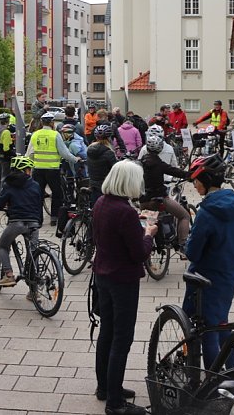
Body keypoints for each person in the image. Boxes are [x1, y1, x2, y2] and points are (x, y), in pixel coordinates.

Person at [92, 160, 155, 415]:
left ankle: (105, 387)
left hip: (103, 275)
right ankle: (115, 403)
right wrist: (149, 233)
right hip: (122, 280)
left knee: (107, 332)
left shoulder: (102, 202)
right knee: (122, 338)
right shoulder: (125, 212)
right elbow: (139, 253)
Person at [183, 154, 234, 370]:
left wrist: (187, 243)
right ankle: (230, 373)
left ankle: (213, 381)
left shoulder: (206, 213)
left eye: (196, 180)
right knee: (221, 323)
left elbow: (193, 252)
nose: (194, 184)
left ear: (207, 180)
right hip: (228, 275)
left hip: (205, 278)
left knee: (208, 331)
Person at [0, 156, 43, 293]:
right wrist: (38, 222)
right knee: (33, 254)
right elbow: (39, 205)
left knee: (2, 246)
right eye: (29, 169)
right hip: (34, 223)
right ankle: (34, 292)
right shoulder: (35, 185)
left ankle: (9, 275)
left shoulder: (8, 184)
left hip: (17, 223)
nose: (30, 171)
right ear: (25, 170)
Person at [26, 111, 82, 237]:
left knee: (38, 194)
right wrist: (75, 159)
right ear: (52, 123)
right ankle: (54, 218)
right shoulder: (55, 134)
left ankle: (38, 220)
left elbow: (29, 154)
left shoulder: (35, 135)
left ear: (41, 122)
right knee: (57, 194)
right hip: (53, 170)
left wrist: (28, 169)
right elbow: (64, 153)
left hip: (38, 170)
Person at [139, 133, 191, 247]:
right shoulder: (158, 164)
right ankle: (183, 244)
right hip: (159, 199)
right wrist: (190, 175)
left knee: (147, 226)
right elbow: (175, 171)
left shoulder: (140, 162)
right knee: (184, 216)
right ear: (160, 148)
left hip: (143, 201)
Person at [87, 124, 118, 207]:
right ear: (109, 138)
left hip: (93, 184)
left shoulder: (90, 150)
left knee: (95, 209)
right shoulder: (109, 153)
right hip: (105, 186)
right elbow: (115, 170)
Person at [0, 113, 15, 198]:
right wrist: (14, 153)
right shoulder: (6, 132)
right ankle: (2, 198)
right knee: (4, 178)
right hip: (5, 159)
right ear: (7, 121)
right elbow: (6, 149)